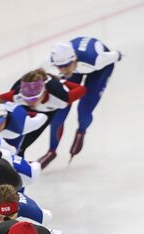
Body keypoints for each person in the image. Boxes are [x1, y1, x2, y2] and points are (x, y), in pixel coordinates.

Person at [38, 37, 122, 168]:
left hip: (99, 70)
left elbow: (117, 54)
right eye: (59, 67)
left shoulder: (97, 60)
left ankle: (81, 131)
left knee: (84, 110)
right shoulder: (49, 62)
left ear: (74, 59)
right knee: (59, 111)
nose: (63, 70)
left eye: (66, 66)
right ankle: (51, 151)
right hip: (77, 68)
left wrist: (117, 55)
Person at [0, 68, 87, 158]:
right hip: (24, 109)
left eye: (33, 98)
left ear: (44, 93)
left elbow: (82, 89)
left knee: (25, 142)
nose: (30, 102)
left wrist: (63, 82)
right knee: (14, 141)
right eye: (26, 98)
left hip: (47, 112)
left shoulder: (60, 96)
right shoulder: (16, 94)